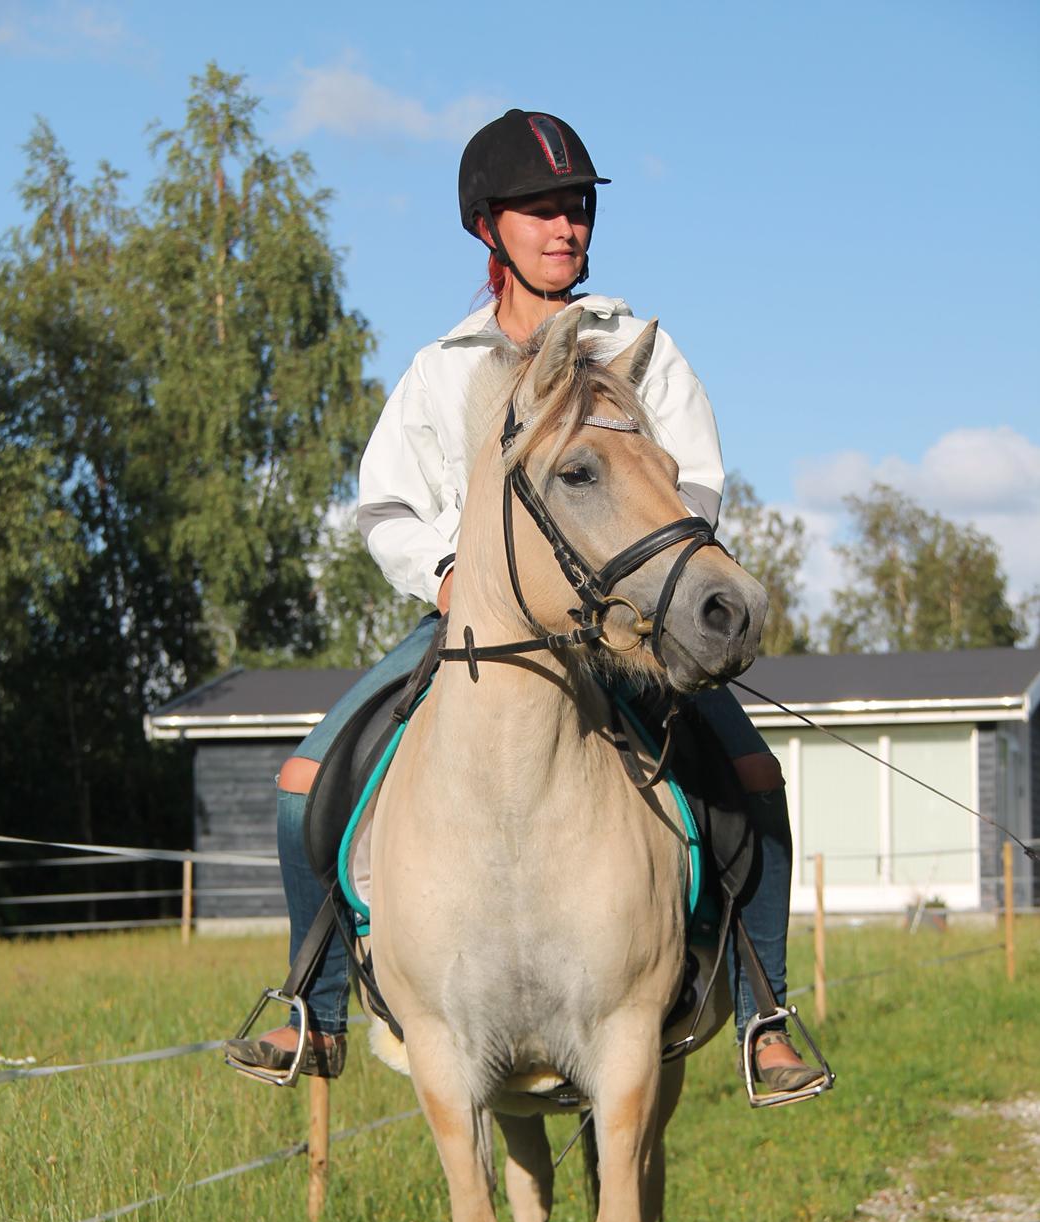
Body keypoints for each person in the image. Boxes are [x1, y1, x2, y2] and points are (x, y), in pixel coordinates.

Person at [227, 109, 822, 1095]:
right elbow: (382, 504)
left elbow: (696, 485)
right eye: (541, 210)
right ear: (486, 227)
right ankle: (314, 1005)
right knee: (302, 785)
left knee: (751, 775)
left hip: (626, 623)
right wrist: (444, 573)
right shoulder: (441, 369)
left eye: (577, 208)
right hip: (475, 626)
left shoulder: (637, 349)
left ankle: (763, 1008)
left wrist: (641, 586)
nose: (566, 228)